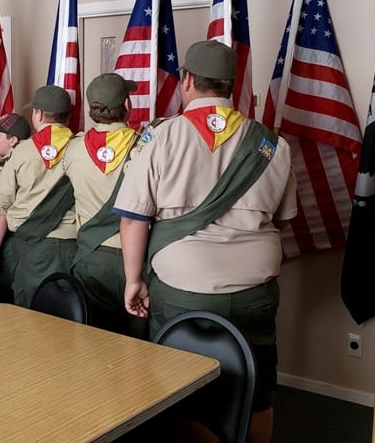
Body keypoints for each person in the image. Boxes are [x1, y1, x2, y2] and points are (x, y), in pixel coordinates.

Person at [113, 40, 298, 443]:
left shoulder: (159, 138)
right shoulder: (272, 145)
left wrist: (133, 281)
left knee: (177, 388)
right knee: (257, 385)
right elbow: (282, 221)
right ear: (231, 86)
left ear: (189, 81)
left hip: (183, 289)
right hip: (254, 291)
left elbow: (133, 219)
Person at [63, 73, 146, 336]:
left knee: (94, 341)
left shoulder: (73, 149)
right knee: (139, 346)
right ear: (128, 106)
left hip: (90, 255)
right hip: (135, 257)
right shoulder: (145, 148)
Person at [0, 85, 77, 307]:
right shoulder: (81, 147)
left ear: (37, 114)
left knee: (30, 311)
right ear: (68, 116)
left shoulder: (22, 151)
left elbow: (3, 205)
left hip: (30, 244)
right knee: (66, 311)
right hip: (71, 243)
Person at [0, 112, 32, 304]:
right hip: (1, 238)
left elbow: (4, 208)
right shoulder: (8, 164)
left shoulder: (13, 167)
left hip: (5, 241)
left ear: (13, 140)